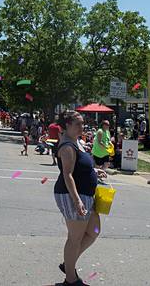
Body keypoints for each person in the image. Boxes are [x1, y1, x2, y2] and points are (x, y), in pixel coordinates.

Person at [54, 110, 107, 286]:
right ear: (67, 126)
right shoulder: (67, 146)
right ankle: (70, 279)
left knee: (94, 231)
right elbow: (68, 175)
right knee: (75, 237)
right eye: (78, 124)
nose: (82, 127)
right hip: (72, 195)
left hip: (85, 195)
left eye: (82, 123)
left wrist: (94, 171)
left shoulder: (76, 142)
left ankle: (68, 264)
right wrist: (77, 201)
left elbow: (80, 167)